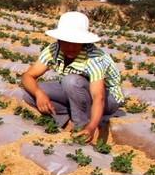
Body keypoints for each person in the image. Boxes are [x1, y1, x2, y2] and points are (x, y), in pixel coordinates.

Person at [19, 11, 124, 144]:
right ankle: (67, 120)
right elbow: (28, 76)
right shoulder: (54, 49)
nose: (70, 47)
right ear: (59, 40)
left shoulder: (94, 57)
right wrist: (39, 94)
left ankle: (83, 126)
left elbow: (99, 97)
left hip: (109, 98)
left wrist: (91, 127)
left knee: (71, 81)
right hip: (78, 91)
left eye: (76, 42)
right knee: (30, 93)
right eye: (66, 42)